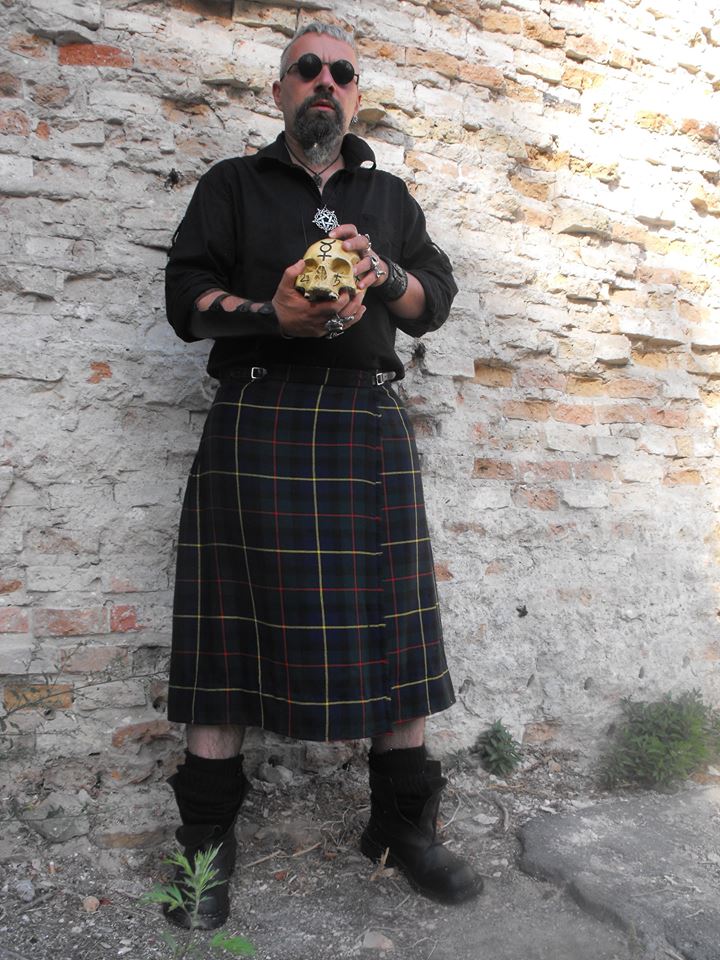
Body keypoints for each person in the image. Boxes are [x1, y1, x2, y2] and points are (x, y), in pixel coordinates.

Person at [163, 20, 482, 929]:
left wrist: (380, 271)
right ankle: (204, 852)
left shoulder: (390, 197)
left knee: (398, 639)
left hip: (363, 425)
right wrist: (274, 312)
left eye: (342, 72)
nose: (325, 82)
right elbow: (186, 300)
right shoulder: (232, 185)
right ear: (280, 91)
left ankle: (401, 826)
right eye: (307, 69)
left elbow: (433, 302)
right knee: (225, 642)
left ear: (355, 95)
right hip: (257, 416)